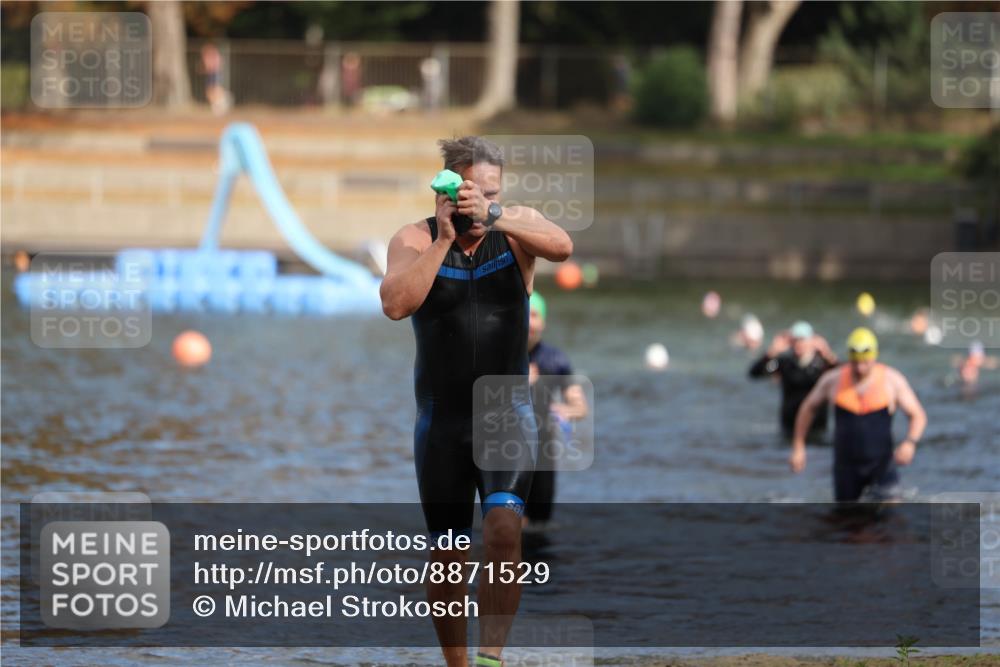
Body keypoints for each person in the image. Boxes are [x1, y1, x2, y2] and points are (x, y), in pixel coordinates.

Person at [380, 136, 573, 667]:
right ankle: (457, 665)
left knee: (505, 529)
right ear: (448, 189)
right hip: (441, 422)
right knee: (447, 555)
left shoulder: (513, 231)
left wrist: (498, 214)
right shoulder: (414, 239)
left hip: (505, 414)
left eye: (494, 191)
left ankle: (491, 659)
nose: (485, 201)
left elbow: (562, 246)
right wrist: (443, 238)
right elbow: (395, 304)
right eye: (475, 192)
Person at [789, 328, 927, 502]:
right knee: (847, 523)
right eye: (855, 362)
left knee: (891, 521)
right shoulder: (833, 380)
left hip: (881, 466)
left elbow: (918, 415)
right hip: (846, 468)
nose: (860, 368)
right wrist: (798, 446)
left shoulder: (892, 380)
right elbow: (808, 408)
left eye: (865, 362)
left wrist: (910, 443)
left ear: (874, 356)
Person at [524, 291, 588, 528]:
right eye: (524, 314)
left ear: (543, 322)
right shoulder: (502, 357)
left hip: (543, 453)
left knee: (540, 526)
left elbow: (580, 407)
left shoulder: (555, 360)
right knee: (509, 524)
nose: (529, 321)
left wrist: (562, 410)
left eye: (534, 315)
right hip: (506, 449)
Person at [748, 321, 838, 439]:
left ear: (812, 341)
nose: (799, 344)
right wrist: (771, 352)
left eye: (802, 340)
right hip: (789, 428)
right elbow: (755, 373)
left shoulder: (822, 364)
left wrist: (828, 354)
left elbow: (843, 375)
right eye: (795, 340)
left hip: (817, 428)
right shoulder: (784, 363)